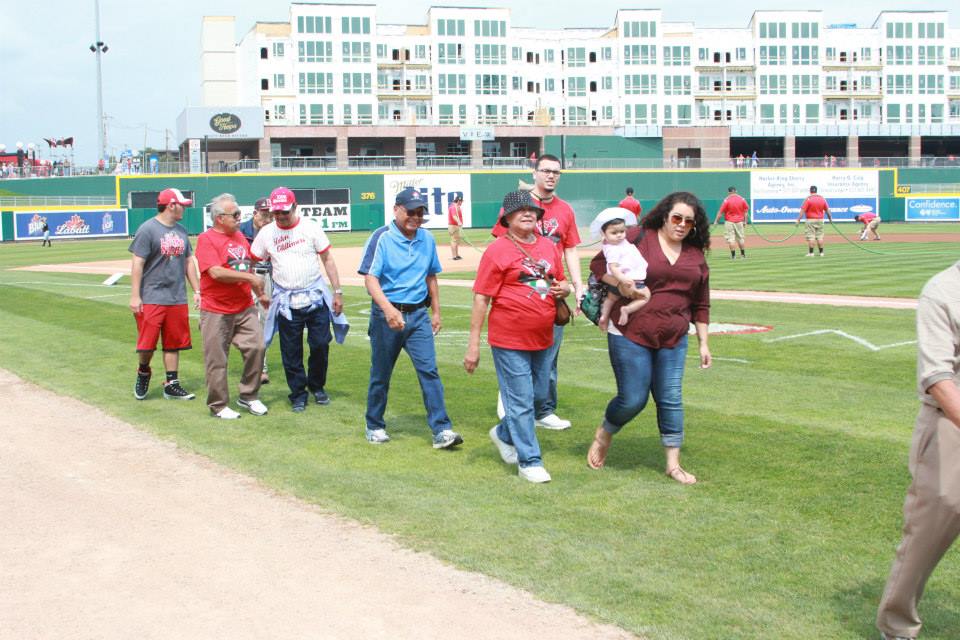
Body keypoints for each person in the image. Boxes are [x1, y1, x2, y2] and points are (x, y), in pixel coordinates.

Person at [586, 192, 712, 485]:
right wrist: (620, 284)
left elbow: (701, 303)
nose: (681, 225)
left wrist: (704, 342)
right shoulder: (638, 237)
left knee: (670, 399)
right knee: (633, 399)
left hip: (674, 336)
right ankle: (605, 432)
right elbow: (596, 265)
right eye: (677, 218)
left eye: (688, 222)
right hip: (631, 331)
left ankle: (673, 464)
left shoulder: (695, 255)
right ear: (665, 216)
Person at [876, 263, 960, 640]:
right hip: (949, 422)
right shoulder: (943, 290)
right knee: (927, 534)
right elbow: (937, 378)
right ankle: (897, 627)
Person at [465, 190, 572, 483]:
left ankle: (502, 433)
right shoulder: (497, 250)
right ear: (508, 218)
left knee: (538, 396)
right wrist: (473, 345)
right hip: (508, 337)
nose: (528, 214)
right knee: (521, 400)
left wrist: (566, 289)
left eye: (532, 210)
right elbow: (481, 298)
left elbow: (559, 280)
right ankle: (530, 461)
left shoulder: (549, 248)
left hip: (543, 335)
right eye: (520, 210)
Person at [358, 187, 462, 449]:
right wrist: (388, 309)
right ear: (396, 210)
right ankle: (374, 424)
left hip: (418, 315)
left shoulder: (426, 239)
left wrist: (436, 311)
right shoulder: (381, 237)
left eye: (419, 212)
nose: (415, 217)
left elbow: (431, 276)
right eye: (410, 212)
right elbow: (370, 278)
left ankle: (442, 430)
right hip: (387, 316)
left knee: (429, 371)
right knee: (381, 373)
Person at [490, 153, 583, 430]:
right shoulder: (518, 203)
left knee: (548, 357)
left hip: (552, 289)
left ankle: (543, 410)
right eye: (545, 170)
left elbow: (570, 247)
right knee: (516, 353)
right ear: (535, 173)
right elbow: (500, 244)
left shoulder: (565, 210)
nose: (551, 175)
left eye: (556, 171)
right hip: (522, 288)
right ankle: (510, 404)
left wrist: (577, 286)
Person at [250, 187, 346, 413]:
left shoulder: (310, 227)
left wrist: (338, 291)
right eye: (277, 213)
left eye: (285, 212)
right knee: (290, 351)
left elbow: (327, 259)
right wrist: (259, 292)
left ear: (295, 207)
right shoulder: (266, 233)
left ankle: (317, 385)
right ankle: (298, 394)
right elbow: (256, 263)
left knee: (321, 345)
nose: (281, 217)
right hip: (285, 301)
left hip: (315, 296)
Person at [195, 193, 270, 419]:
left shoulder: (238, 236)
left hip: (244, 306)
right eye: (235, 214)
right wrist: (252, 281)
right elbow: (216, 272)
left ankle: (248, 396)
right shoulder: (206, 239)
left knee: (257, 347)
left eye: (239, 213)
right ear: (219, 218)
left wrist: (260, 293)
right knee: (217, 359)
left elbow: (246, 269)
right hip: (216, 309)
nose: (240, 218)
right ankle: (218, 405)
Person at [129, 187, 200, 402]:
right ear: (171, 205)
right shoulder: (147, 229)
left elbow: (188, 261)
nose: (184, 209)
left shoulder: (181, 230)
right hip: (152, 296)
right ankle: (143, 371)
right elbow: (137, 262)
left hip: (176, 296)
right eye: (182, 205)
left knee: (174, 342)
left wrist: (197, 290)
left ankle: (172, 384)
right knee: (147, 344)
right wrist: (135, 295)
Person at [591, 208, 650, 331]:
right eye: (614, 233)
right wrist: (622, 280)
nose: (619, 235)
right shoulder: (614, 249)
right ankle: (627, 309)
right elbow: (613, 268)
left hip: (621, 281)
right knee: (645, 297)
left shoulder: (612, 243)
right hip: (629, 280)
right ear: (604, 234)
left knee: (611, 298)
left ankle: (604, 316)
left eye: (622, 231)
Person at [240, 197, 275, 384]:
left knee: (264, 320)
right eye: (264, 214)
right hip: (245, 277)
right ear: (254, 213)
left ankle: (261, 366)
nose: (267, 218)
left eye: (270, 215)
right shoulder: (241, 231)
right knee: (242, 321)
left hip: (266, 277)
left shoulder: (273, 231)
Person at [796, 185, 833, 257]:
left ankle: (811, 253)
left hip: (810, 220)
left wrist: (798, 220)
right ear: (816, 191)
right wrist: (830, 218)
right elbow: (827, 210)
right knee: (820, 237)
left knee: (811, 237)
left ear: (810, 191)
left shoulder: (808, 199)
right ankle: (821, 253)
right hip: (820, 220)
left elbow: (802, 210)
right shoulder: (822, 199)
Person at [713, 186, 749, 259]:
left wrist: (716, 221)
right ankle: (743, 255)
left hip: (729, 222)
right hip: (739, 221)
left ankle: (733, 256)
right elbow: (746, 212)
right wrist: (745, 221)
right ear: (736, 191)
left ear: (729, 192)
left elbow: (720, 212)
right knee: (740, 238)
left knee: (731, 239)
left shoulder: (727, 200)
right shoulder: (742, 199)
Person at [447, 194, 464, 260]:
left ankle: (456, 255)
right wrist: (459, 222)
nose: (461, 203)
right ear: (458, 201)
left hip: (456, 226)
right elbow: (454, 216)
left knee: (457, 241)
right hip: (453, 226)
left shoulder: (457, 207)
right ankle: (454, 256)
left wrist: (460, 223)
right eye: (461, 201)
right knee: (454, 240)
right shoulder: (453, 207)